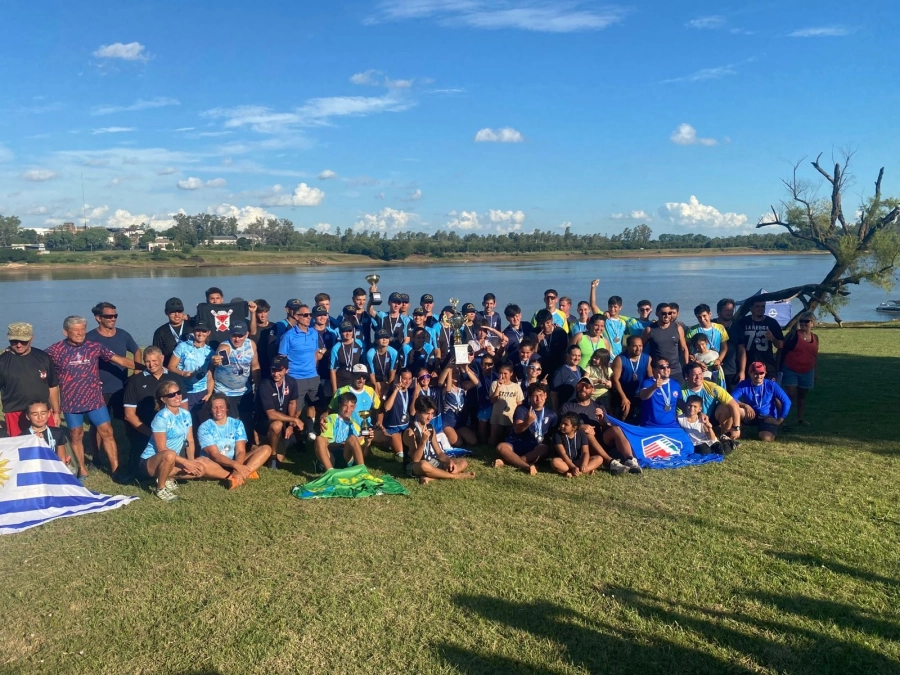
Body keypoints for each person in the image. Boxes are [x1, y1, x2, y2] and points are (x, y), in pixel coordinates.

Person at [47, 315, 136, 481]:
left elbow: (121, 361)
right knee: (76, 434)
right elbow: (38, 361)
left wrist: (149, 367)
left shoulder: (94, 346)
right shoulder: (55, 350)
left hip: (95, 399)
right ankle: (82, 470)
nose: (81, 333)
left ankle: (116, 470)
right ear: (65, 331)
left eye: (83, 329)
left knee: (108, 432)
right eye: (76, 330)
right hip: (71, 402)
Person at [139, 380, 218, 502]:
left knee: (200, 470)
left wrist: (191, 461)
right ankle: (160, 488)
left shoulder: (186, 414)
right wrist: (185, 462)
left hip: (172, 460)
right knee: (169, 454)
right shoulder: (161, 418)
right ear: (163, 399)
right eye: (171, 395)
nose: (177, 396)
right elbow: (162, 449)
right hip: (150, 461)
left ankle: (167, 477)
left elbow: (190, 440)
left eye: (178, 392)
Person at [87, 301, 142, 466]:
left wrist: (137, 373)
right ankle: (96, 458)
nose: (112, 319)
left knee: (127, 420)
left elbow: (137, 350)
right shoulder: (90, 337)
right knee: (96, 425)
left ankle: (133, 451)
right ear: (98, 318)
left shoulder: (123, 335)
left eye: (115, 316)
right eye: (108, 316)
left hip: (122, 387)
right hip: (99, 390)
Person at [560, 378, 642, 474]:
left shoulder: (598, 406)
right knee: (587, 433)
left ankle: (630, 460)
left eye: (587, 386)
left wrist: (602, 421)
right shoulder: (567, 406)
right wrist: (580, 427)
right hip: (580, 445)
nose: (583, 388)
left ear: (592, 390)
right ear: (576, 388)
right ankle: (611, 463)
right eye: (580, 386)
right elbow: (561, 427)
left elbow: (607, 428)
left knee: (616, 429)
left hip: (600, 440)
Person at [123, 346, 184, 475]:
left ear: (162, 358)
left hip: (171, 432)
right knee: (139, 475)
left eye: (154, 360)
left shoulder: (175, 378)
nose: (151, 365)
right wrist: (151, 433)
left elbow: (184, 408)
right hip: (144, 431)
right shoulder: (135, 381)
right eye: (147, 361)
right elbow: (129, 415)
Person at [198, 393, 271, 489]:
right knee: (200, 462)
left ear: (227, 408)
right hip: (214, 463)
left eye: (221, 407)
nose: (218, 410)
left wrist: (237, 468)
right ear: (211, 410)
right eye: (215, 407)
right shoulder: (204, 427)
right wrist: (237, 466)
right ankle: (243, 473)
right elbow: (214, 455)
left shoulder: (237, 424)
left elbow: (240, 451)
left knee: (266, 449)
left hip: (235, 461)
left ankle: (235, 476)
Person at [0, 322, 60, 436]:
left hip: (41, 412)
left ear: (31, 339)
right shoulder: (2, 362)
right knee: (21, 449)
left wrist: (56, 412)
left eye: (23, 341)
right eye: (14, 341)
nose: (18, 345)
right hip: (14, 412)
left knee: (49, 447)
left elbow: (52, 386)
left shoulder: (44, 357)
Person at [403, 396, 475, 484]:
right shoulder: (410, 432)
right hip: (415, 466)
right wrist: (422, 442)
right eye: (427, 413)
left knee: (463, 462)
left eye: (432, 413)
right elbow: (415, 459)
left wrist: (449, 461)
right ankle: (456, 476)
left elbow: (439, 453)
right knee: (424, 465)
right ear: (417, 413)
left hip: (431, 460)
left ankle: (431, 477)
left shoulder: (430, 428)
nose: (430, 417)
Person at [278, 303, 327, 429]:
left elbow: (316, 352)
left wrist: (317, 360)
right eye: (305, 315)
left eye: (310, 315)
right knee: (296, 410)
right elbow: (282, 357)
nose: (309, 317)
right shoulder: (288, 336)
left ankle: (313, 431)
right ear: (296, 316)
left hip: (313, 376)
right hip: (296, 378)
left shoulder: (313, 333)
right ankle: (293, 435)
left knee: (318, 406)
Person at [494, 383, 556, 475]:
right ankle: (526, 467)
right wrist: (527, 422)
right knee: (501, 447)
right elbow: (517, 430)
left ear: (546, 395)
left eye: (541, 395)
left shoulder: (551, 414)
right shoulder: (522, 409)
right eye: (535, 396)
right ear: (530, 397)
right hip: (516, 442)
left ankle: (507, 461)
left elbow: (552, 435)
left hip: (534, 445)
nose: (539, 399)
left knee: (545, 449)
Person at [210, 321, 260, 434]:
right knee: (233, 423)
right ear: (229, 334)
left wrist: (258, 386)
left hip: (244, 392)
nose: (237, 339)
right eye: (234, 336)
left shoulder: (251, 345)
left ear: (247, 334)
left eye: (240, 336)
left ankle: (248, 448)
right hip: (226, 392)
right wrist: (217, 359)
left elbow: (255, 366)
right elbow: (221, 353)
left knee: (247, 423)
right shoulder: (225, 346)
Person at [254, 354, 303, 467]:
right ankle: (272, 457)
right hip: (264, 421)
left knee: (282, 457)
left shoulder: (291, 382)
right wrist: (295, 419)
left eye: (279, 370)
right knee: (277, 425)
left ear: (286, 370)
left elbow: (292, 403)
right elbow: (270, 414)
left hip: (282, 420)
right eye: (273, 370)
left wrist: (290, 425)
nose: (276, 374)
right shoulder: (265, 385)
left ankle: (265, 448)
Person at [732, 361, 792, 442]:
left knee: (767, 438)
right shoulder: (744, 384)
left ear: (765, 373)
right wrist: (745, 405)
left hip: (767, 417)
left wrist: (780, 420)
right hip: (750, 414)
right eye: (755, 373)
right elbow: (731, 398)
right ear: (750, 373)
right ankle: (738, 428)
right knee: (735, 408)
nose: (759, 376)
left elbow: (787, 401)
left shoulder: (771, 385)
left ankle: (769, 429)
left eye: (761, 373)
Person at [680, 362, 741, 440]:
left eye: (700, 373)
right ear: (686, 377)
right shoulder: (680, 392)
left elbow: (734, 404)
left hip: (711, 417)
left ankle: (725, 436)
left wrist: (736, 427)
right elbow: (680, 415)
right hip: (692, 419)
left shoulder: (712, 387)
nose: (698, 377)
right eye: (694, 375)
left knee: (726, 407)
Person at [778, 311, 819, 426]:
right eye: (801, 321)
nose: (803, 323)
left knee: (802, 396)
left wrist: (815, 372)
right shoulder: (793, 334)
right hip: (791, 368)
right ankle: (782, 419)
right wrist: (778, 367)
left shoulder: (815, 338)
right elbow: (781, 350)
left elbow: (815, 356)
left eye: (806, 321)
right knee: (790, 394)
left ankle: (800, 418)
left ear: (812, 323)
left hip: (807, 370)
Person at [168, 318, 214, 418]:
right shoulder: (182, 347)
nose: (200, 333)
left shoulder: (211, 352)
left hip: (202, 393)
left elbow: (210, 375)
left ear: (208, 333)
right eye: (198, 330)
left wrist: (209, 393)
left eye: (204, 331)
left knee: (202, 423)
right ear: (193, 331)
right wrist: (183, 373)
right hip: (183, 391)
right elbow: (171, 367)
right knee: (183, 421)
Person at [329, 364, 381, 446]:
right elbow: (330, 410)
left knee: (389, 439)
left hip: (367, 429)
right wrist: (323, 417)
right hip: (348, 430)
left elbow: (379, 408)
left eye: (364, 377)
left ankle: (367, 440)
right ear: (352, 376)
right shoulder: (341, 391)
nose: (361, 380)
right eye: (358, 376)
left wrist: (379, 422)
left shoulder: (370, 391)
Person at [314, 391, 366, 471]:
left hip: (347, 456)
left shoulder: (355, 426)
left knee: (352, 438)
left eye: (351, 406)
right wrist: (342, 444)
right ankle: (330, 472)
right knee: (319, 439)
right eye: (345, 406)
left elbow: (364, 453)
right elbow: (325, 444)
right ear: (339, 405)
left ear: (354, 407)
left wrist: (368, 442)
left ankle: (363, 472)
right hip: (331, 456)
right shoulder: (330, 419)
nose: (348, 410)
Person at [736, 299, 785, 381]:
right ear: (751, 309)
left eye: (763, 306)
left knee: (768, 391)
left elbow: (781, 345)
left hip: (767, 365)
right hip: (748, 364)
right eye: (757, 306)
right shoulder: (743, 322)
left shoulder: (771, 322)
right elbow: (739, 346)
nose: (760, 309)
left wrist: (772, 338)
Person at [641, 303, 689, 386]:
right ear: (657, 314)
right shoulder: (649, 330)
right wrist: (648, 368)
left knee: (679, 396)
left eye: (669, 313)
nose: (667, 316)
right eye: (663, 313)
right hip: (658, 371)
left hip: (676, 371)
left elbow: (684, 349)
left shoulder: (678, 328)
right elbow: (640, 349)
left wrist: (687, 368)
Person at [436, 358, 479, 447]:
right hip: (447, 423)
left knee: (473, 441)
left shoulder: (462, 386)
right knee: (458, 443)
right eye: (454, 373)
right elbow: (441, 383)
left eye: (457, 373)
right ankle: (447, 435)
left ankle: (458, 434)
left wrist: (466, 368)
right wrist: (449, 368)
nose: (456, 376)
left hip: (460, 423)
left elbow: (476, 382)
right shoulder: (446, 388)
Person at [373, 368, 414, 461]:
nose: (407, 381)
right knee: (401, 454)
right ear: (399, 378)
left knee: (412, 449)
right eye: (404, 378)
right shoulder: (391, 390)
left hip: (405, 427)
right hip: (393, 428)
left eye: (409, 379)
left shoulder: (410, 391)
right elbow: (386, 407)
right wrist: (396, 390)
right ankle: (382, 439)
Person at [611, 335, 652, 421]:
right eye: (635, 346)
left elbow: (651, 378)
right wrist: (624, 398)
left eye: (640, 346)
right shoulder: (620, 359)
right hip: (623, 393)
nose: (638, 349)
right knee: (624, 414)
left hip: (640, 394)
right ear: (628, 346)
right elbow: (615, 380)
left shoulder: (647, 358)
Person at [550, 413, 603, 477]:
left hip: (578, 461)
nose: (562, 426)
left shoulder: (581, 434)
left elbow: (585, 452)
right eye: (562, 423)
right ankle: (576, 470)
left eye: (566, 424)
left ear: (574, 428)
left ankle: (579, 471)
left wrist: (584, 464)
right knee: (555, 462)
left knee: (599, 458)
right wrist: (573, 467)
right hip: (564, 461)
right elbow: (563, 453)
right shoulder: (557, 435)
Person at [19, 399, 70, 465]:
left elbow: (61, 458)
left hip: (53, 469)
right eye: (35, 414)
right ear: (28, 416)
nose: (40, 417)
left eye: (43, 413)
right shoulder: (23, 437)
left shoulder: (58, 432)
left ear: (49, 414)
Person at [686, 304, 729, 382]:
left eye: (704, 316)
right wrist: (697, 362)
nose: (702, 319)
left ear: (710, 314)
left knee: (717, 391)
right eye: (699, 317)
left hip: (716, 365)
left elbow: (724, 348)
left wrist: (719, 360)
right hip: (700, 367)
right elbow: (688, 351)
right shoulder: (692, 331)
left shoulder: (720, 328)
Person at [589, 280, 628, 358]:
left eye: (615, 307)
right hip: (606, 356)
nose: (612, 309)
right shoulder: (604, 318)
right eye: (610, 306)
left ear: (620, 307)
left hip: (619, 356)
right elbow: (593, 305)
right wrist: (593, 288)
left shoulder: (623, 322)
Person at [638, 358, 681, 428]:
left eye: (668, 366)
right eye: (662, 367)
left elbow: (681, 404)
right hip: (651, 426)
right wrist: (654, 387)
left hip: (672, 426)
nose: (666, 369)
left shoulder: (676, 384)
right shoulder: (648, 383)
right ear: (654, 369)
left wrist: (699, 414)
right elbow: (643, 396)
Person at [489, 363, 524, 447]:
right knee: (494, 441)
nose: (502, 376)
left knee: (509, 439)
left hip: (510, 416)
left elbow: (519, 403)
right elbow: (493, 400)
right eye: (500, 373)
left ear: (511, 374)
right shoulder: (495, 384)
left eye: (505, 373)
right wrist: (498, 387)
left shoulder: (516, 386)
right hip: (497, 416)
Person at [151, 297, 191, 365]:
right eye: (173, 312)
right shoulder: (160, 332)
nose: (177, 314)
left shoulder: (192, 327)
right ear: (166, 312)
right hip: (170, 372)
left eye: (179, 311)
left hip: (191, 371)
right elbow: (156, 355)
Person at [329, 322, 364, 394]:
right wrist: (335, 390)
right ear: (340, 332)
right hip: (342, 381)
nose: (347, 333)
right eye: (344, 331)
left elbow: (364, 363)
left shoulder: (360, 344)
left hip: (357, 381)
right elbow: (332, 370)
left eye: (349, 330)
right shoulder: (336, 348)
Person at [714, 298, 741, 388]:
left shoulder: (737, 327)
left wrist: (742, 371)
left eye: (731, 310)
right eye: (726, 310)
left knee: (732, 400)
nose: (729, 313)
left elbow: (742, 351)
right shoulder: (711, 325)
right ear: (718, 311)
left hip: (732, 370)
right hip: (713, 369)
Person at [535, 309, 569, 376]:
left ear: (552, 320)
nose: (545, 326)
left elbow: (565, 353)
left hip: (557, 368)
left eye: (548, 323)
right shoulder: (535, 333)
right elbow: (533, 354)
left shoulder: (560, 333)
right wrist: (536, 341)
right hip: (540, 369)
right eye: (542, 324)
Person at [366, 328, 398, 398]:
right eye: (381, 337)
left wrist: (388, 389)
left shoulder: (394, 352)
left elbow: (392, 373)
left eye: (386, 337)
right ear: (376, 340)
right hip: (375, 380)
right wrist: (375, 390)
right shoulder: (370, 354)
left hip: (388, 380)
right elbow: (372, 375)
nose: (384, 339)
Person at [550, 345, 583, 411]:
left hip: (579, 407)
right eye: (574, 355)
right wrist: (556, 411)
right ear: (567, 355)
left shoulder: (580, 370)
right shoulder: (560, 372)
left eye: (579, 356)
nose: (577, 358)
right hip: (566, 409)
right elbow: (553, 394)